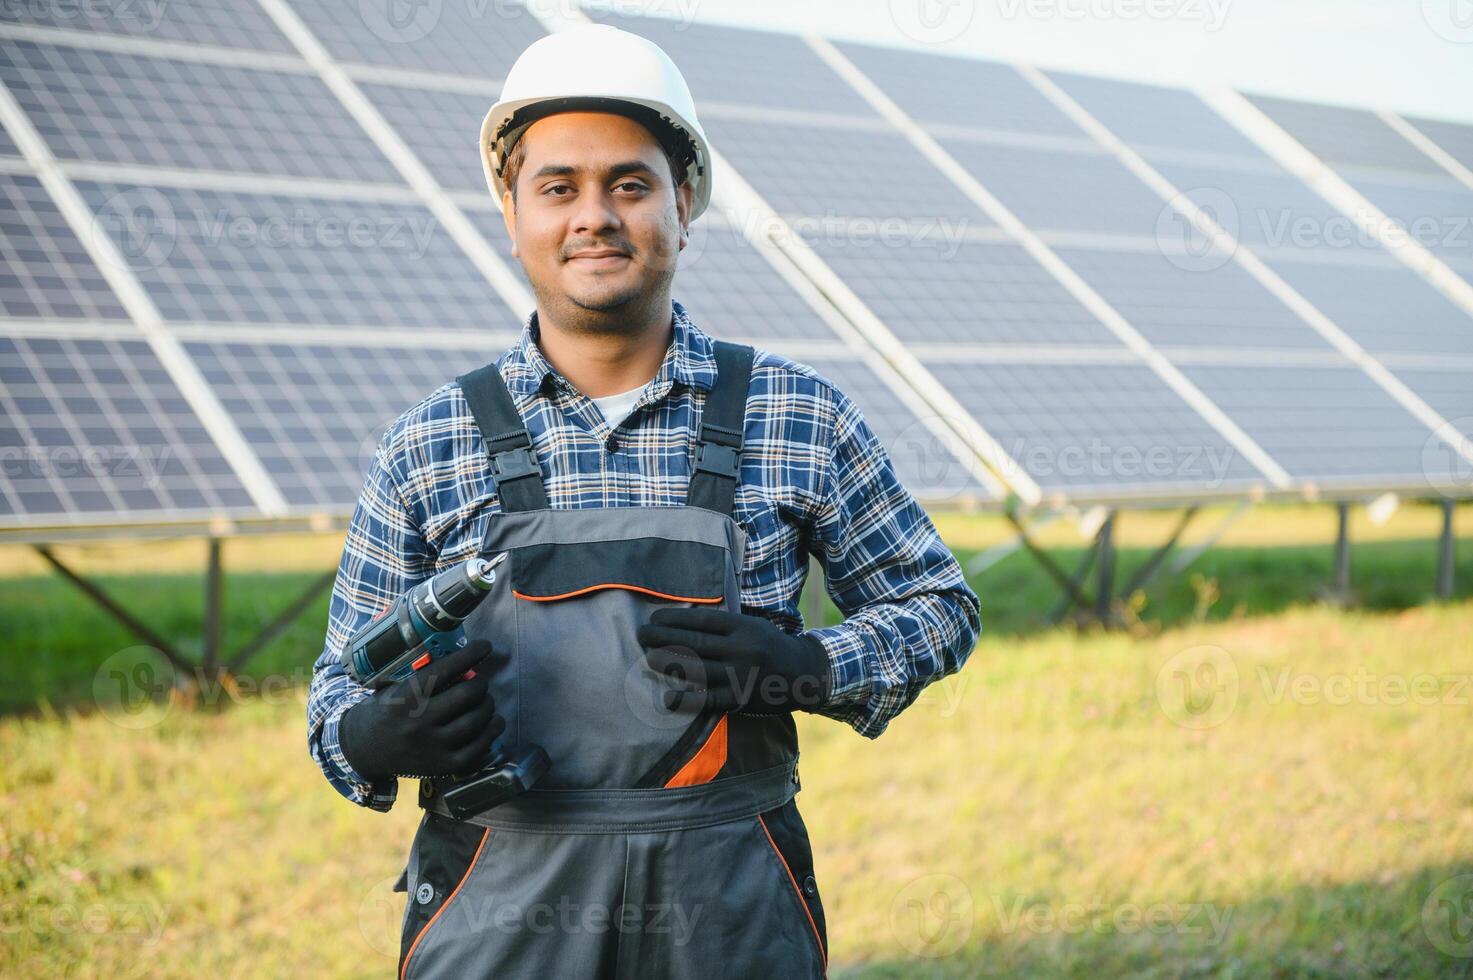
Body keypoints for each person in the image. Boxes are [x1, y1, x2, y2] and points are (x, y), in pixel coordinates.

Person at [307, 23, 981, 980]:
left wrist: (811, 666)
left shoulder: (797, 412)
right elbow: (335, 695)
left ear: (684, 202)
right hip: (498, 909)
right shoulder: (430, 441)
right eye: (557, 188)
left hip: (728, 909)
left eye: (630, 183)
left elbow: (940, 608)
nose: (594, 216)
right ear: (511, 212)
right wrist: (372, 735)